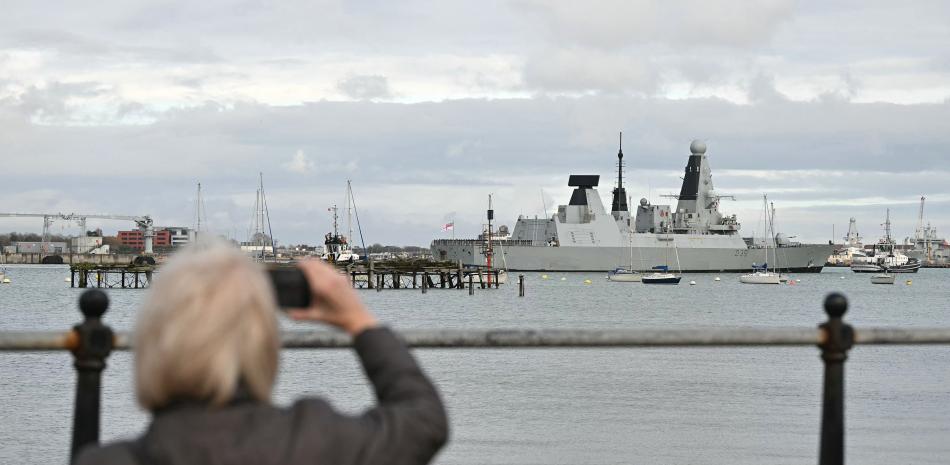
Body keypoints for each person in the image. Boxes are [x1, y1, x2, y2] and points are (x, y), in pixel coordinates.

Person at [77, 243, 448, 465]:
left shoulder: (109, 461)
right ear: (264, 345)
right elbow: (424, 420)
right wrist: (357, 319)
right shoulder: (320, 440)